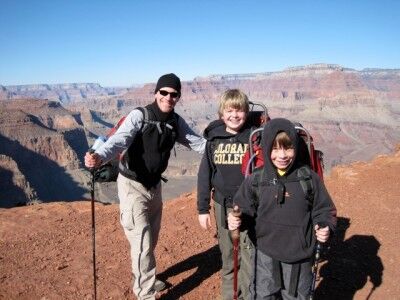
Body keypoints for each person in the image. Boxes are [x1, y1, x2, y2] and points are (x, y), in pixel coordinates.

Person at [85, 73, 206, 300]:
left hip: (155, 186)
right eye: (164, 92)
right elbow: (119, 140)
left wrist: (225, 148)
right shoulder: (139, 116)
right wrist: (99, 156)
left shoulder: (175, 122)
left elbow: (196, 142)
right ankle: (145, 293)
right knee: (141, 241)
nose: (168, 97)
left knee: (150, 242)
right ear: (156, 93)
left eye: (174, 94)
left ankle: (143, 276)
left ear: (178, 97)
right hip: (132, 187)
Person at [228, 118, 337, 300]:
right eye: (275, 149)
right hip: (265, 252)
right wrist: (236, 219)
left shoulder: (308, 179)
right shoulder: (256, 179)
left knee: (296, 297)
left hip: (299, 257)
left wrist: (325, 225)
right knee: (263, 296)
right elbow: (243, 208)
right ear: (266, 148)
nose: (282, 155)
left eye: (288, 148)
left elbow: (324, 209)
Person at [197, 89, 254, 300]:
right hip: (222, 205)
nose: (234, 115)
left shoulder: (254, 138)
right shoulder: (214, 140)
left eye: (239, 111)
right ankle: (229, 296)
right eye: (229, 111)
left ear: (246, 113)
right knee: (229, 256)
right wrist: (203, 209)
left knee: (248, 255)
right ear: (222, 114)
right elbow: (205, 175)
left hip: (248, 207)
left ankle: (249, 296)